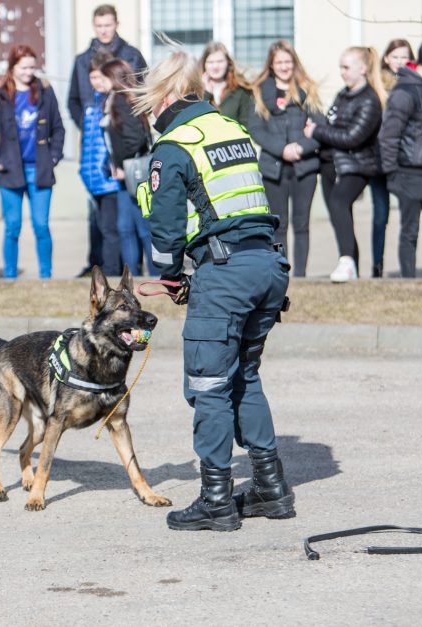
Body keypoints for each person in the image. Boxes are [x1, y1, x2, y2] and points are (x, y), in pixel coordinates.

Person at [131, 48, 292, 532]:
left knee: (209, 388)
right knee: (245, 375)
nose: (150, 115)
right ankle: (271, 489)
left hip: (224, 275)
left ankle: (216, 500)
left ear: (166, 96)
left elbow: (166, 234)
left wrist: (172, 279)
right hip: (268, 264)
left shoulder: (175, 145)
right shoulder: (231, 129)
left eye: (150, 104)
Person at [67, 3, 147, 277]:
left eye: (108, 25)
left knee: (128, 221)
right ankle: (99, 265)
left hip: (122, 152)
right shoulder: (82, 60)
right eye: (99, 26)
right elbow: (74, 101)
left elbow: (141, 97)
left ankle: (132, 268)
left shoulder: (131, 55)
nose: (103, 30)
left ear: (116, 24)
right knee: (101, 219)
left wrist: (112, 126)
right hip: (96, 150)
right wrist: (91, 126)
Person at [0, 44, 64, 279]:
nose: (29, 72)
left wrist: (54, 156)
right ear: (12, 67)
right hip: (10, 171)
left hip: (40, 170)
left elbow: (58, 128)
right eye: (23, 67)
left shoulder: (45, 92)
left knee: (41, 226)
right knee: (12, 227)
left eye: (32, 67)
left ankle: (46, 276)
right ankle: (10, 277)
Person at [305, 47, 385, 283]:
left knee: (339, 202)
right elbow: (334, 124)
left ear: (363, 69)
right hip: (332, 163)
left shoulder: (370, 100)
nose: (342, 72)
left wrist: (317, 131)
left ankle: (347, 261)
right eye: (341, 66)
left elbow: (352, 137)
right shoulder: (343, 94)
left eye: (346, 67)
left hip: (358, 165)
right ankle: (351, 265)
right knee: (340, 214)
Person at [248, 40, 321, 277]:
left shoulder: (307, 88)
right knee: (278, 226)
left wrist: (301, 147)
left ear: (294, 63)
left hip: (304, 167)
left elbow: (320, 127)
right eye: (279, 62)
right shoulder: (259, 91)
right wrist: (282, 149)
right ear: (271, 64)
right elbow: (256, 129)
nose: (284, 66)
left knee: (302, 225)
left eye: (288, 61)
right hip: (274, 168)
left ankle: (301, 276)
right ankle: (282, 274)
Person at [378, 38, 422, 279]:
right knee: (409, 232)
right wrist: (392, 175)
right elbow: (389, 135)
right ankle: (408, 283)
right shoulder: (404, 92)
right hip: (411, 175)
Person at [99, 57, 156, 276]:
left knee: (142, 228)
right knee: (125, 227)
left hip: (134, 175)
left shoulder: (123, 101)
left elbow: (135, 139)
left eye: (104, 77)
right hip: (123, 177)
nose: (100, 82)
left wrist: (124, 166)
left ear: (113, 77)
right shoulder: (114, 99)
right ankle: (131, 275)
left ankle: (156, 274)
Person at [369, 39, 414, 278]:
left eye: (404, 57)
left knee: (409, 219)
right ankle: (377, 266)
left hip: (406, 161)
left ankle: (408, 268)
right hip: (379, 160)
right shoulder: (378, 85)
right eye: (395, 57)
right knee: (380, 216)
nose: (400, 62)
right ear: (386, 59)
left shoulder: (415, 84)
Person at [78, 51, 123, 276]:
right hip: (92, 177)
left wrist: (110, 165)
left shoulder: (114, 101)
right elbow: (87, 140)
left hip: (109, 179)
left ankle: (113, 272)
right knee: (100, 228)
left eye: (99, 76)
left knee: (110, 229)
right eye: (92, 77)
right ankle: (104, 269)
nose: (96, 82)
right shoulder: (91, 102)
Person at [200, 41, 253, 129]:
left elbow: (246, 126)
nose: (215, 66)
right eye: (210, 62)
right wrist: (206, 95)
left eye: (220, 61)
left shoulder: (240, 91)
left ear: (228, 62)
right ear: (204, 64)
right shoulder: (195, 91)